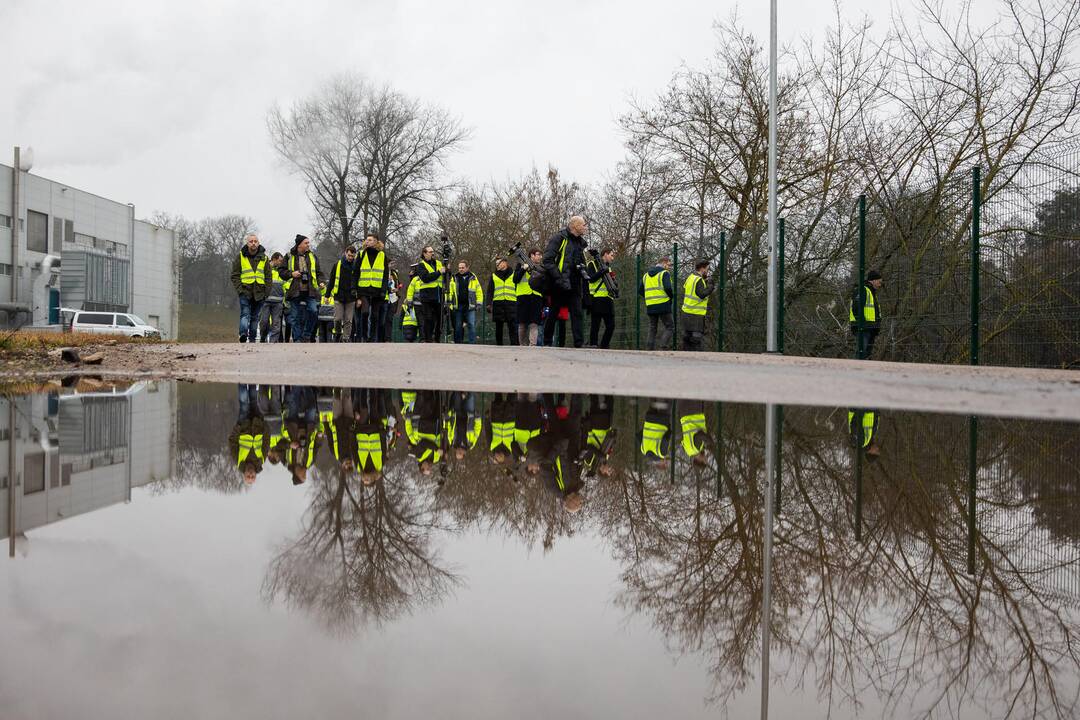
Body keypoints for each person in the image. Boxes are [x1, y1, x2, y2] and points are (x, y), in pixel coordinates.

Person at [542, 215, 589, 348]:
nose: (585, 227)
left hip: (574, 282)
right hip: (559, 283)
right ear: (575, 226)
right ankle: (547, 342)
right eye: (583, 225)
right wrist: (558, 278)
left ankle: (579, 343)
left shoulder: (580, 242)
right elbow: (547, 260)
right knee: (554, 312)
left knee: (577, 312)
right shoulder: (559, 238)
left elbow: (580, 261)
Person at [280, 234, 326, 343]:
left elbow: (319, 273)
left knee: (314, 311)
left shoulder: (312, 256)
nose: (308, 245)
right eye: (306, 243)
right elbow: (281, 271)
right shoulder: (289, 256)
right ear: (299, 244)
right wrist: (292, 274)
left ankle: (306, 335)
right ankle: (297, 339)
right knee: (295, 317)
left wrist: (321, 282)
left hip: (310, 290)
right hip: (294, 290)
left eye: (308, 243)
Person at [230, 234, 273, 344]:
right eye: (251, 241)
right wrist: (240, 290)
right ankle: (243, 334)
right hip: (245, 291)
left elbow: (268, 276)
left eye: (255, 241)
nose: (253, 243)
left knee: (254, 317)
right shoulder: (240, 256)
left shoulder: (264, 258)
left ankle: (252, 339)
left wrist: (266, 293)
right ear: (247, 243)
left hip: (260, 293)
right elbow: (235, 275)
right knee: (245, 314)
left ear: (258, 243)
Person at [356, 233, 389, 342]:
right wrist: (354, 289)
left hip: (377, 290)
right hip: (363, 289)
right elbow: (355, 273)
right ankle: (364, 336)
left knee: (375, 315)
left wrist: (384, 290)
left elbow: (385, 275)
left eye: (370, 240)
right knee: (365, 313)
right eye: (367, 240)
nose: (367, 242)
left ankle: (372, 337)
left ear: (376, 242)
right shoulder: (361, 254)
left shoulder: (382, 255)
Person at [325, 244, 360, 342]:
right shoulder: (337, 265)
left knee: (348, 320)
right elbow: (332, 280)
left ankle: (346, 338)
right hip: (338, 296)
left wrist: (358, 298)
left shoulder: (356, 267)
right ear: (345, 253)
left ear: (355, 256)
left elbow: (359, 283)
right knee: (337, 318)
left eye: (352, 256)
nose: (350, 258)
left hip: (351, 297)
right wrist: (327, 295)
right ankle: (337, 333)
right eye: (349, 255)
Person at [639, 257, 674, 350]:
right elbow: (668, 288)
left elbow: (640, 290)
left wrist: (649, 297)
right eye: (669, 265)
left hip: (650, 305)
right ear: (664, 263)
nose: (669, 267)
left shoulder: (646, 275)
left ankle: (649, 348)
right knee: (669, 326)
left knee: (653, 328)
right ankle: (663, 346)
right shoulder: (664, 273)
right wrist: (671, 297)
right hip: (663, 304)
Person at [585, 247, 617, 348]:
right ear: (605, 254)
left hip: (608, 299)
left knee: (611, 326)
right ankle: (594, 344)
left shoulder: (608, 267)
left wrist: (616, 285)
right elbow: (591, 279)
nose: (612, 258)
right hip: (596, 298)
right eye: (611, 255)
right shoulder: (592, 264)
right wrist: (602, 272)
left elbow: (612, 281)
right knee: (595, 324)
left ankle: (604, 345)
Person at [681, 259, 715, 351]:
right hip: (696, 313)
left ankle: (685, 357)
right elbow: (701, 294)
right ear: (702, 269)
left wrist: (704, 281)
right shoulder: (699, 279)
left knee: (687, 337)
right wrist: (711, 286)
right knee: (696, 338)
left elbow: (691, 290)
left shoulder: (691, 277)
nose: (708, 271)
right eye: (707, 269)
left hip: (686, 311)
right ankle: (697, 357)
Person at [849, 269, 884, 359]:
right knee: (861, 352)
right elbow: (856, 308)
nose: (880, 284)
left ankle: (863, 370)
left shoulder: (871, 292)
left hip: (871, 327)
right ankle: (856, 370)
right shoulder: (863, 290)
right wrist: (862, 323)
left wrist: (877, 325)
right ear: (873, 280)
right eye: (879, 282)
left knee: (866, 354)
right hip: (863, 327)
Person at [415, 245, 445, 343]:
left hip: (438, 295)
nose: (432, 253)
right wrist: (439, 272)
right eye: (430, 252)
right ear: (424, 253)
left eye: (433, 251)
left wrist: (447, 270)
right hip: (427, 296)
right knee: (428, 318)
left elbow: (445, 276)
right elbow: (425, 278)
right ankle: (428, 339)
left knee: (439, 319)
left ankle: (437, 338)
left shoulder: (439, 263)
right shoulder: (421, 265)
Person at [449, 260, 484, 344]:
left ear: (467, 267)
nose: (460, 269)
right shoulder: (454, 277)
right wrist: (449, 302)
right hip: (458, 306)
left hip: (470, 306)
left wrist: (479, 303)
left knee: (471, 325)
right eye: (459, 268)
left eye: (462, 267)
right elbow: (450, 291)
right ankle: (458, 343)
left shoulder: (473, 277)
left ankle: (472, 343)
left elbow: (479, 291)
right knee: (458, 326)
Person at [515, 248, 544, 346]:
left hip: (536, 297)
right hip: (523, 297)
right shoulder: (520, 265)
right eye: (538, 254)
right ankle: (522, 345)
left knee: (534, 323)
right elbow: (515, 279)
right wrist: (523, 269)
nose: (540, 257)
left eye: (540, 255)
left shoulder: (541, 268)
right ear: (531, 255)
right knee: (522, 324)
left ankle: (532, 346)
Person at [487, 257, 518, 346]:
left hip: (511, 303)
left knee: (512, 326)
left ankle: (514, 345)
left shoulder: (514, 274)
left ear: (505, 263)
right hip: (498, 303)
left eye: (499, 263)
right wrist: (489, 304)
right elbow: (490, 291)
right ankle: (499, 345)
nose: (497, 265)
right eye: (496, 263)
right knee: (498, 326)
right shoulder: (494, 275)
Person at [259, 253, 286, 342]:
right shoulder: (265, 269)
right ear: (274, 259)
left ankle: (273, 343)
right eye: (280, 261)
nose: (281, 263)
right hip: (265, 301)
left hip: (278, 302)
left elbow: (286, 284)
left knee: (276, 324)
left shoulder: (282, 271)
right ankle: (263, 338)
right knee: (264, 322)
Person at [384, 261, 402, 342]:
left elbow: (399, 283)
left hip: (393, 299)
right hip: (384, 298)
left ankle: (388, 338)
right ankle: (381, 338)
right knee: (383, 319)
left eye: (392, 264)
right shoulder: (383, 271)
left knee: (390, 319)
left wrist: (398, 288)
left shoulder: (394, 273)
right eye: (390, 263)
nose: (391, 265)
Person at [401, 274, 421, 343]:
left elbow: (401, 317)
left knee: (407, 340)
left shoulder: (404, 306)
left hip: (405, 325)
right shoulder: (416, 307)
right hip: (414, 325)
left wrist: (400, 326)